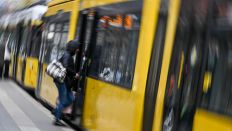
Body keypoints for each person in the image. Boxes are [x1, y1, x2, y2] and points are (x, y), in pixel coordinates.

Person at [53, 40, 80, 125]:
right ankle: (57, 119)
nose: (78, 50)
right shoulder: (67, 56)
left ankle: (57, 110)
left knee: (71, 98)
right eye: (77, 48)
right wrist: (75, 74)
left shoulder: (68, 56)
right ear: (73, 48)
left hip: (65, 82)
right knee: (63, 100)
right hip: (61, 81)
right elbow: (66, 68)